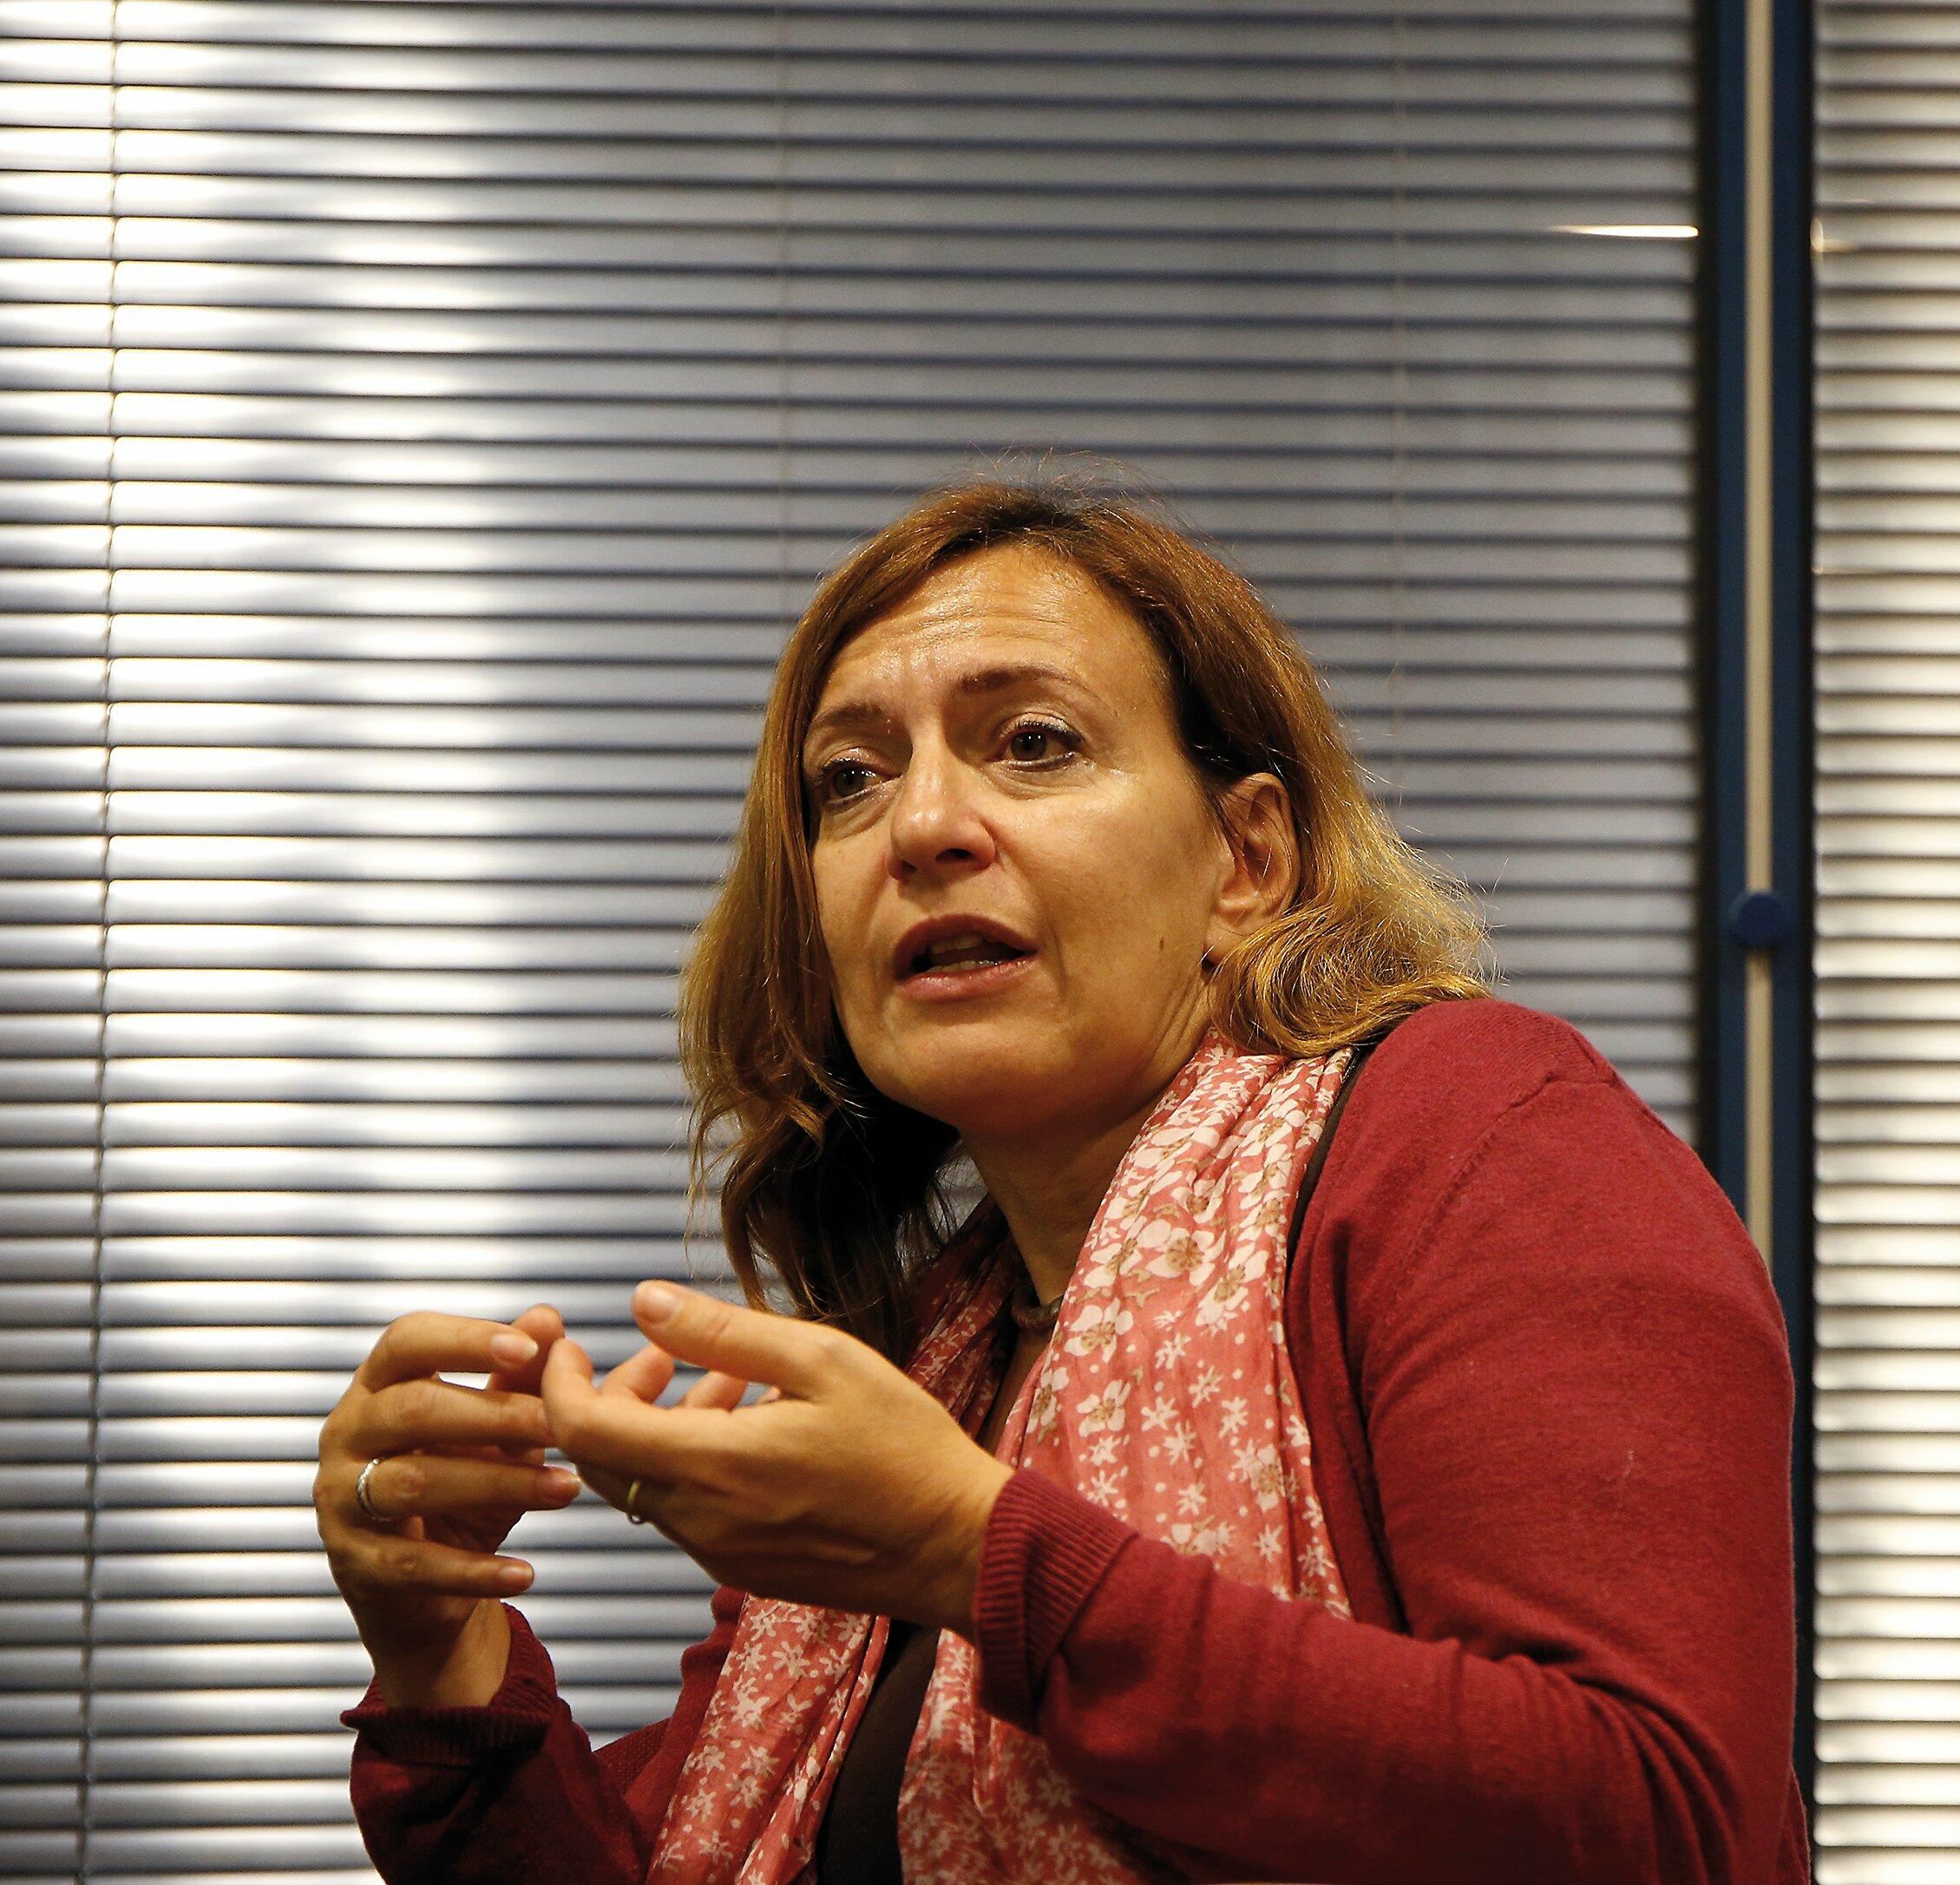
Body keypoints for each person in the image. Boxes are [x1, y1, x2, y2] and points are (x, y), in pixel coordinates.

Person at [313, 479, 1811, 1882]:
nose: (922, 826)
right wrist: (444, 1655)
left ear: (1247, 859)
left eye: (1033, 742)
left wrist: (984, 1560)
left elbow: (1668, 1820)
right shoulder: (928, 1354)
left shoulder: (1479, 1133)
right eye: (850, 778)